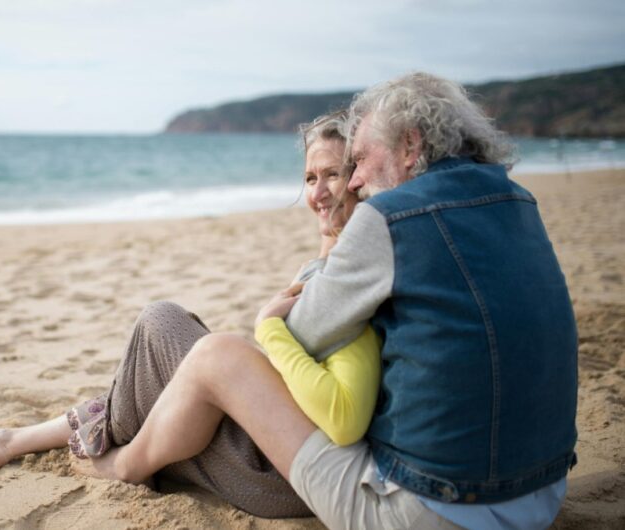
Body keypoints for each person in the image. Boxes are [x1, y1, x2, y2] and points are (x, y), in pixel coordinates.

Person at [48, 73, 577, 530]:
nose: (358, 180)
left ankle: (119, 463)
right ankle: (88, 428)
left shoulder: (392, 218)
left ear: (411, 145)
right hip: (541, 493)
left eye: (359, 160)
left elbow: (302, 330)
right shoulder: (518, 201)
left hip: (436, 508)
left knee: (217, 354)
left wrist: (269, 320)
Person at [0, 111, 379, 518]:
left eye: (332, 175)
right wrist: (332, 233)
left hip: (279, 469)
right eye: (309, 178)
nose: (317, 193)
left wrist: (269, 328)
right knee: (161, 354)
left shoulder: (349, 277)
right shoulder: (331, 263)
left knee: (159, 328)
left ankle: (55, 447)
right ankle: (8, 441)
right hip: (269, 443)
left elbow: (335, 409)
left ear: (358, 178)